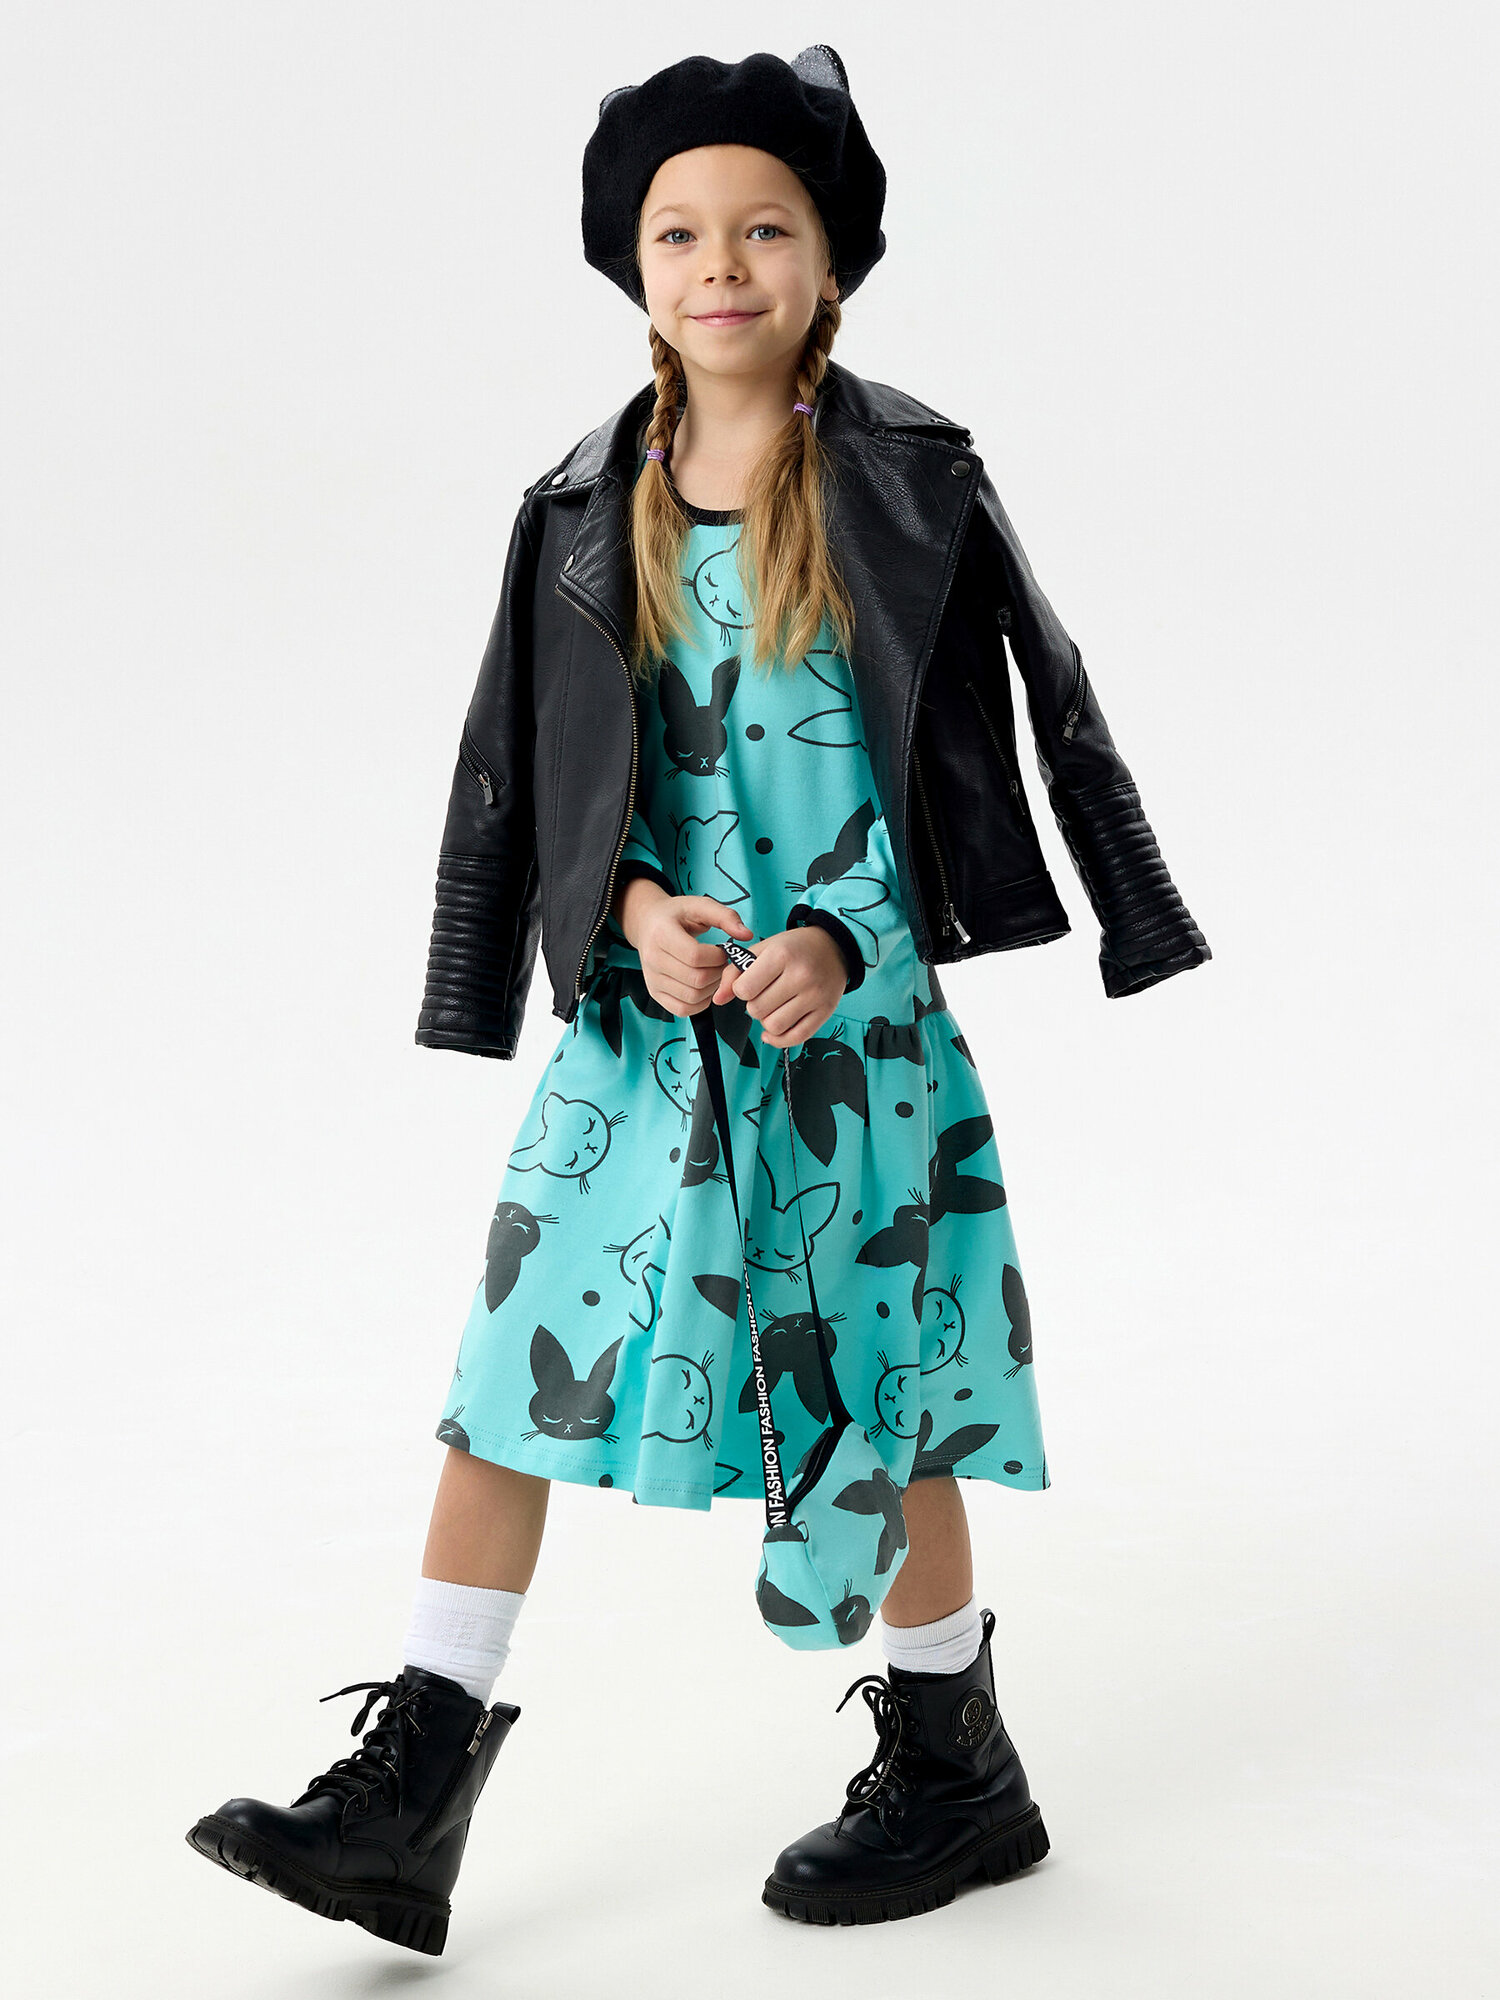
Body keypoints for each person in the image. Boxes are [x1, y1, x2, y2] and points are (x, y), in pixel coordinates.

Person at [185, 44, 1210, 1953]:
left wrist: (855, 940)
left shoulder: (909, 484)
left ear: (831, 261)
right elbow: (534, 771)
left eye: (763, 229)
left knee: (880, 1402)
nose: (721, 263)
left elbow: (1010, 737)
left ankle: (958, 1764)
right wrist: (631, 914)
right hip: (646, 1033)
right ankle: (412, 1788)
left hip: (853, 1035)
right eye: (679, 233)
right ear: (631, 267)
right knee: (506, 1375)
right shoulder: (583, 502)